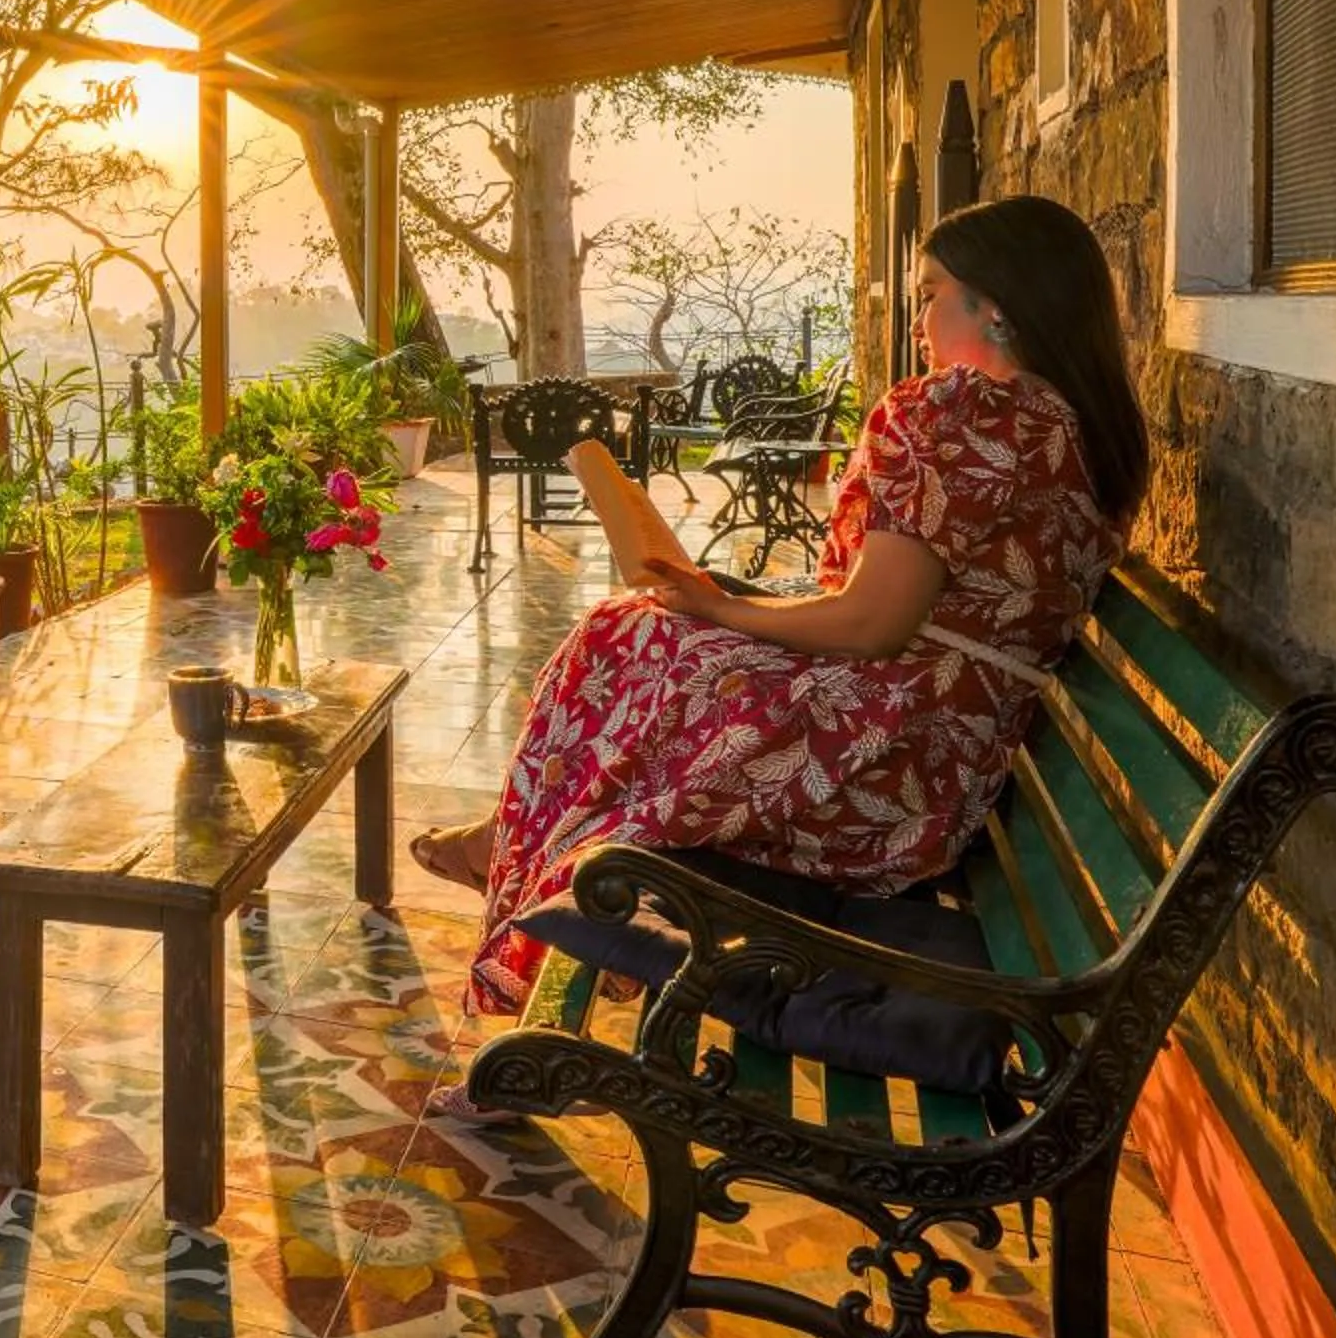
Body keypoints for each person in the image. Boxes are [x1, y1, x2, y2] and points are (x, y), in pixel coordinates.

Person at [410, 193, 1147, 1013]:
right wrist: (724, 605)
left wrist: (720, 608)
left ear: (997, 307)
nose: (917, 321)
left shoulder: (969, 412)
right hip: (943, 774)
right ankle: (526, 845)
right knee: (650, 636)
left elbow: (873, 623)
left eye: (930, 294)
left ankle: (538, 864)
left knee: (629, 636)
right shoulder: (1073, 428)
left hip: (880, 762)